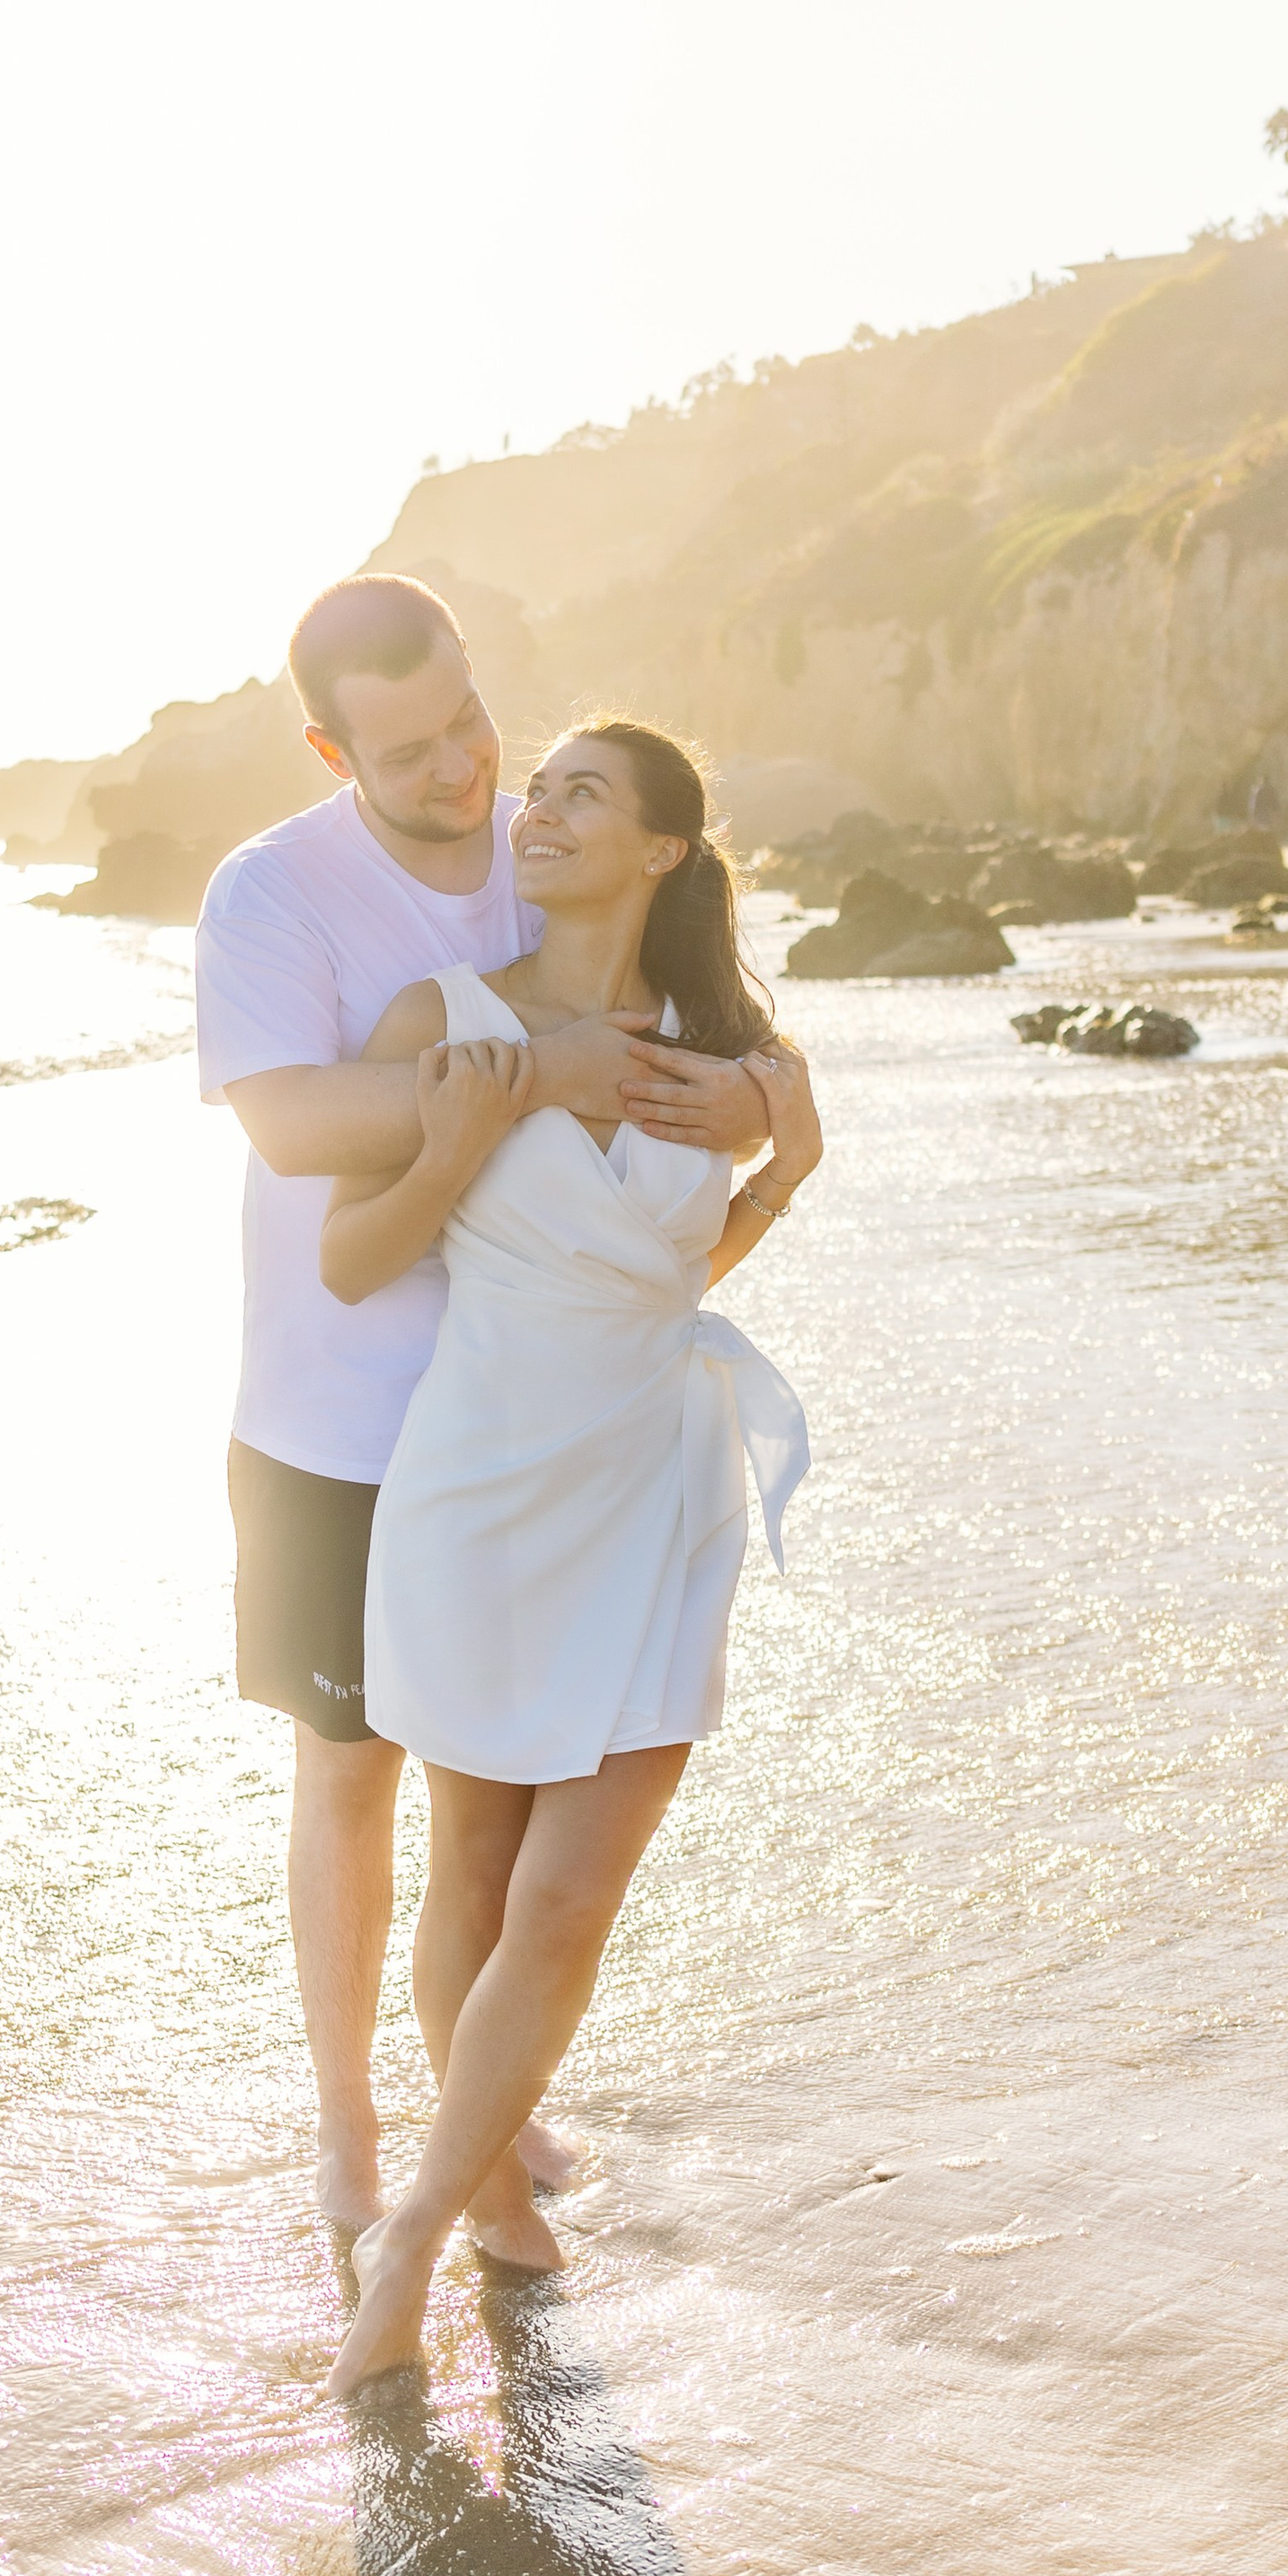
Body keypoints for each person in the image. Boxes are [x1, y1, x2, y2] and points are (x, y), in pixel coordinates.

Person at [193, 578, 773, 2229]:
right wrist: (533, 1083)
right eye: (412, 748)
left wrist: (745, 1099)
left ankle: (491, 2106)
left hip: (547, 1417)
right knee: (353, 1767)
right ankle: (346, 2122)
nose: (464, 770)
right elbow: (295, 1128)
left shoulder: (544, 840)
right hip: (344, 1414)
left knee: (520, 1798)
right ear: (329, 747)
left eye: (471, 721)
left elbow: (683, 1018)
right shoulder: (277, 893)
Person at [318, 718, 823, 2397]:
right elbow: (349, 1260)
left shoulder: (726, 1048)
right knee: (471, 1871)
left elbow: (673, 1274)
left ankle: (412, 2237)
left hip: (657, 1492)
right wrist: (457, 1142)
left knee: (570, 1894)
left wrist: (790, 1164)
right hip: (479, 1492)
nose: (539, 810)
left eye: (582, 794)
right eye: (538, 789)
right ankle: (486, 2201)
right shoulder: (441, 1027)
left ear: (664, 849)